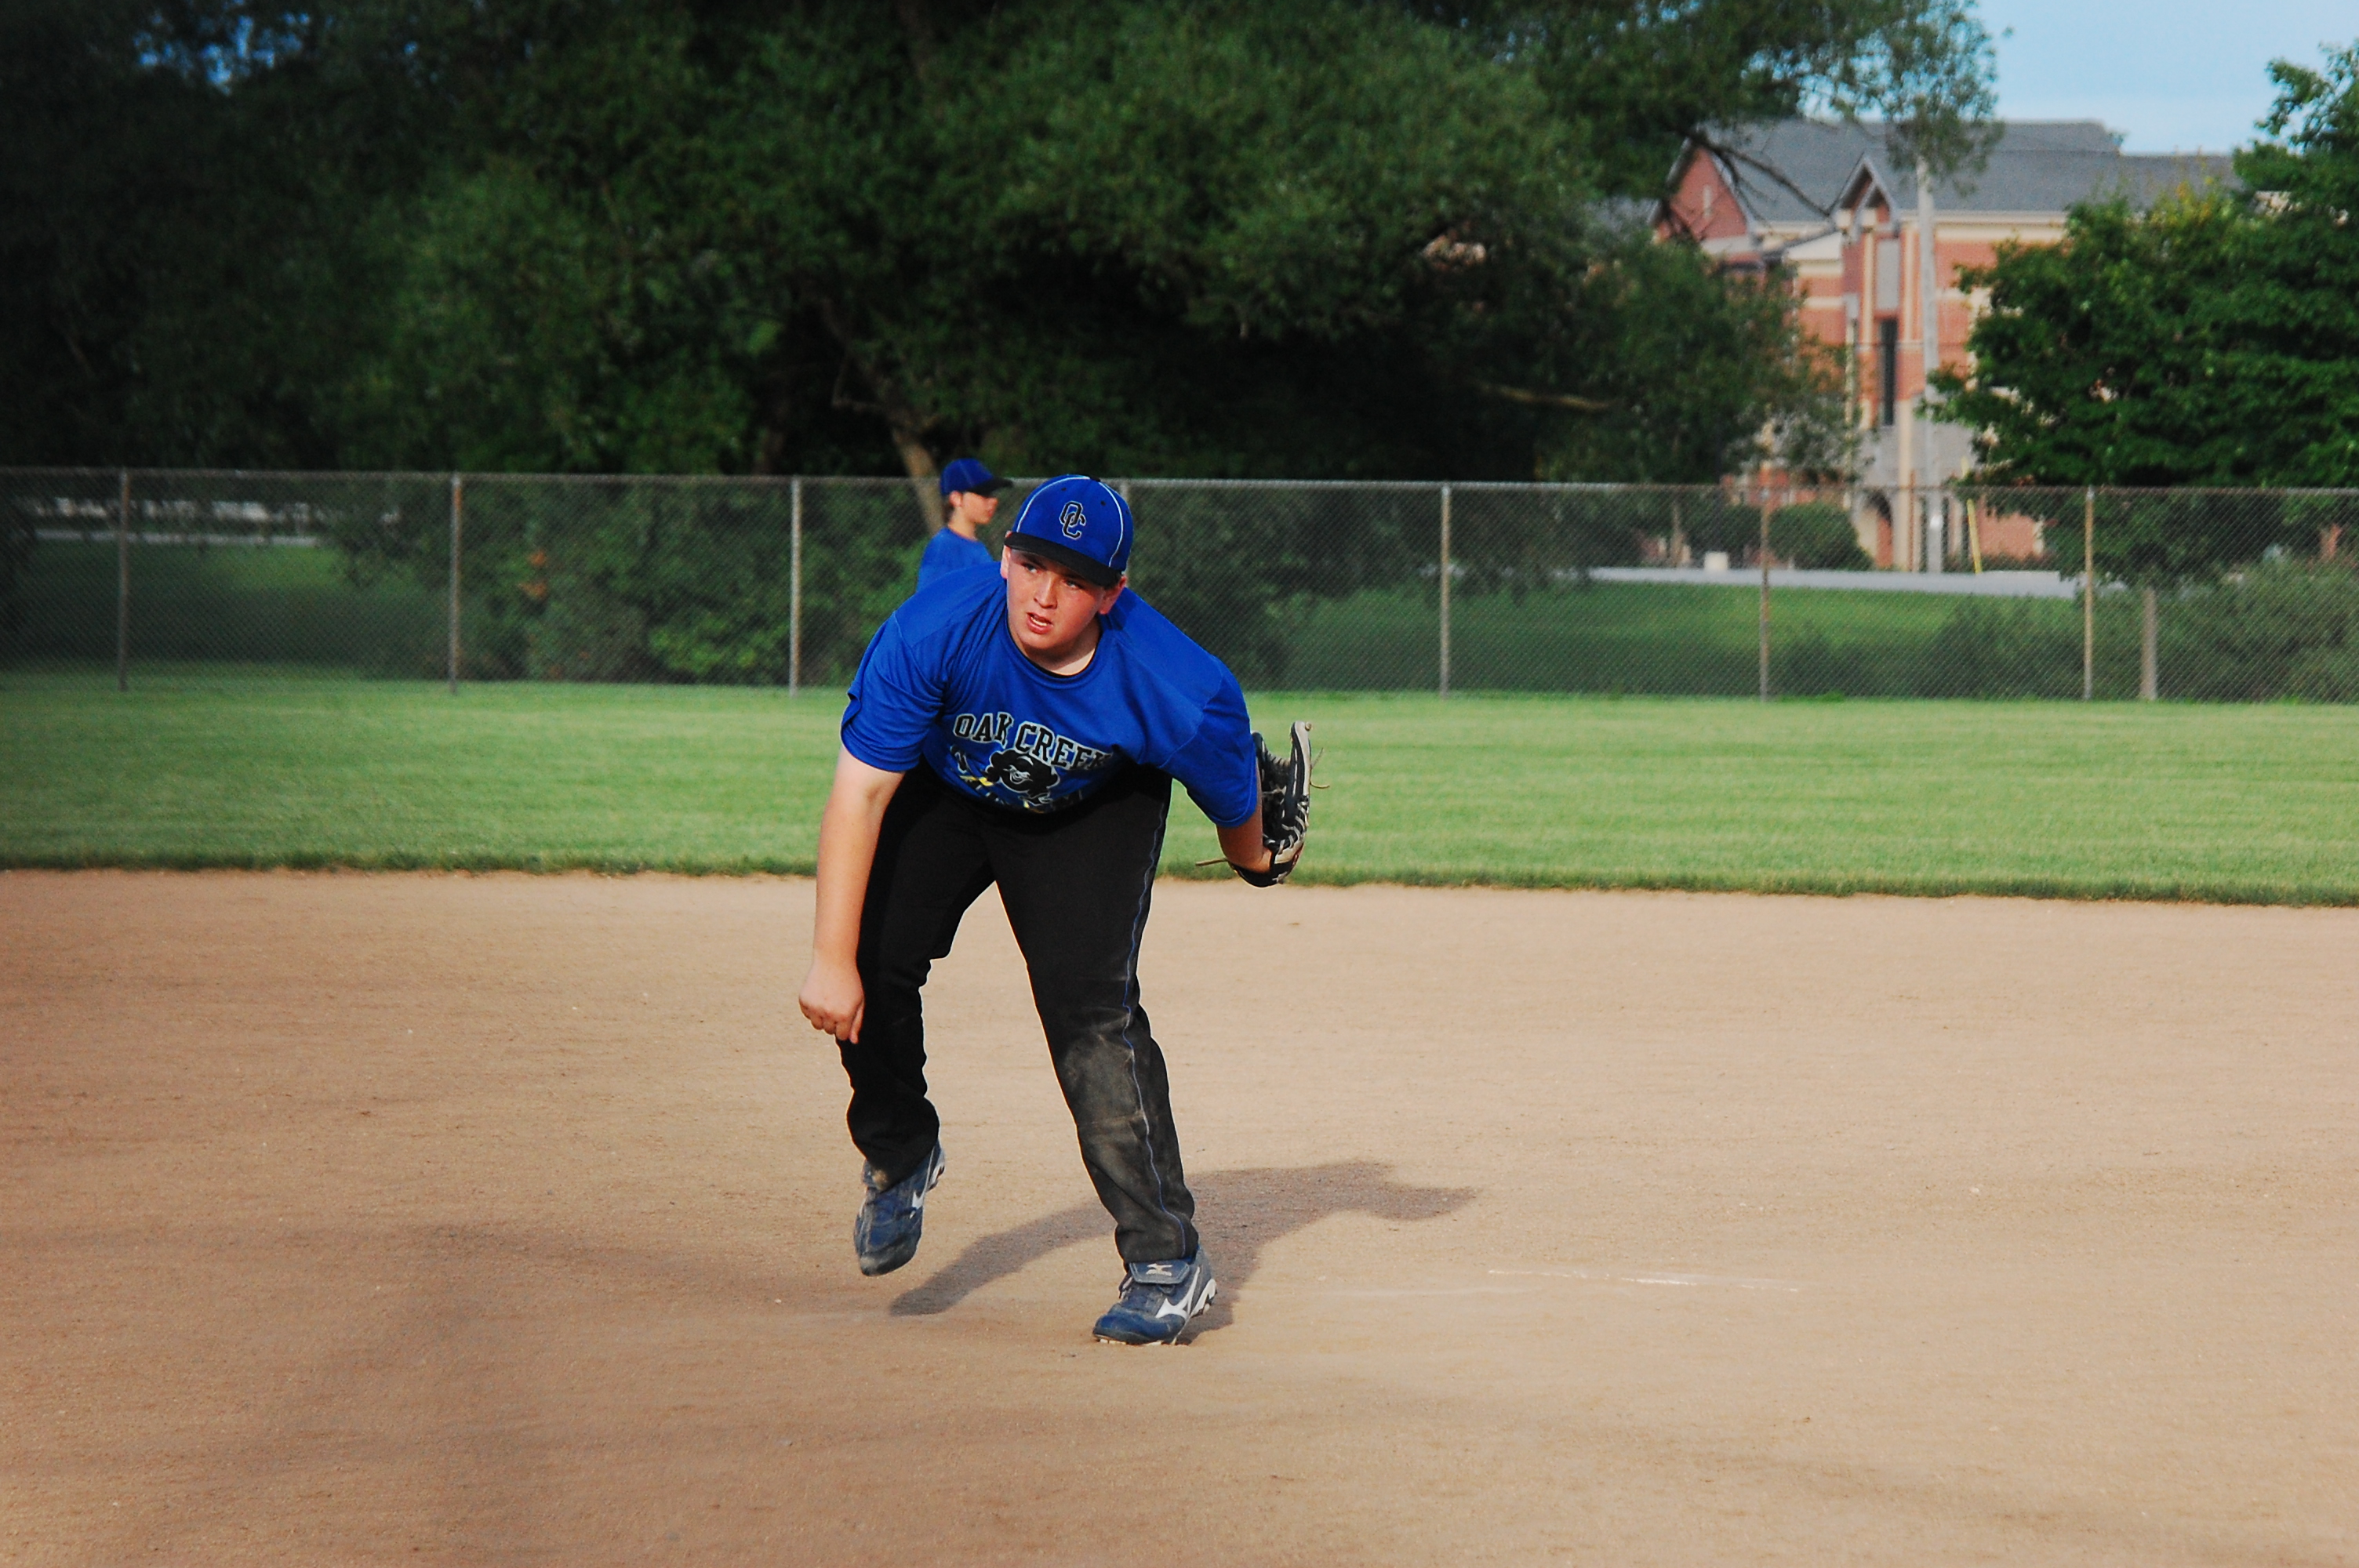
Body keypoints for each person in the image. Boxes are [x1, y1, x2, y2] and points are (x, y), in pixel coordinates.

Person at [796, 474, 1297, 1346]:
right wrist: (830, 960)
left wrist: (1262, 860)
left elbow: (1243, 832)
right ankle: (901, 1149)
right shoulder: (932, 630)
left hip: (1094, 806)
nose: (1043, 594)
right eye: (1031, 565)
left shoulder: (1177, 685)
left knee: (1088, 1011)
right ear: (1004, 558)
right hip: (948, 788)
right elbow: (861, 796)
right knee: (867, 956)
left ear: (1112, 593)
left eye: (1074, 579)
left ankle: (1167, 1262)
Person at [915, 457, 1009, 589]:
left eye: (992, 494)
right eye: (984, 493)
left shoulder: (976, 546)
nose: (993, 501)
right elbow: (929, 599)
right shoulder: (944, 548)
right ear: (956, 499)